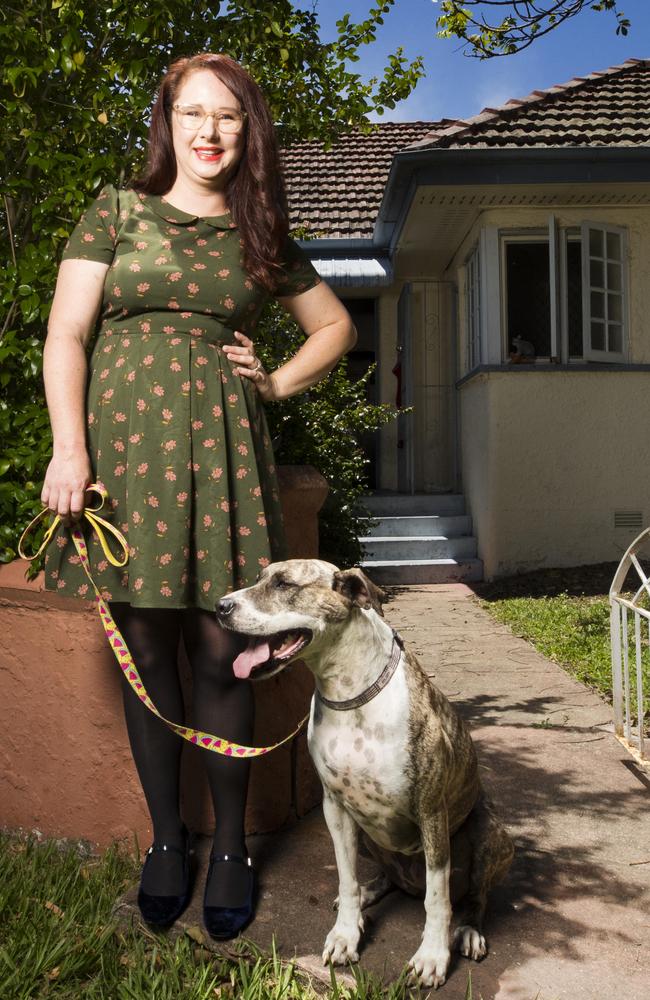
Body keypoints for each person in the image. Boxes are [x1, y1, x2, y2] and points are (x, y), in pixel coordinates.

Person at [40, 52, 356, 939]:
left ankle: (227, 851)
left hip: (222, 461)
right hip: (126, 462)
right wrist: (71, 450)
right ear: (167, 123)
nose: (209, 132)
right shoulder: (118, 211)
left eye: (228, 116)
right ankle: (167, 841)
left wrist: (279, 383)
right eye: (192, 114)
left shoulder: (260, 235)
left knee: (223, 656)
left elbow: (336, 326)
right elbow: (67, 335)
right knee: (149, 659)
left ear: (248, 131)